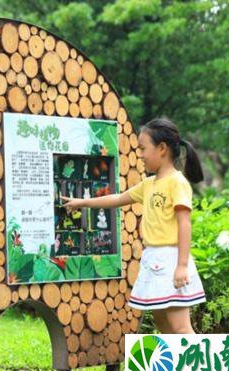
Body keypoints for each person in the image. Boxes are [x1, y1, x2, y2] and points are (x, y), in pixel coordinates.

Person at [61, 117, 206, 336]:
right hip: (153, 260)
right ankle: (179, 369)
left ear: (162, 149)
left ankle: (200, 369)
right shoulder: (150, 184)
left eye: (143, 148)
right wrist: (82, 202)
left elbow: (184, 224)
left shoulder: (177, 182)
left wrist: (182, 265)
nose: (140, 155)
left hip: (171, 260)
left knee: (181, 327)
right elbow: (118, 199)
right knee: (163, 326)